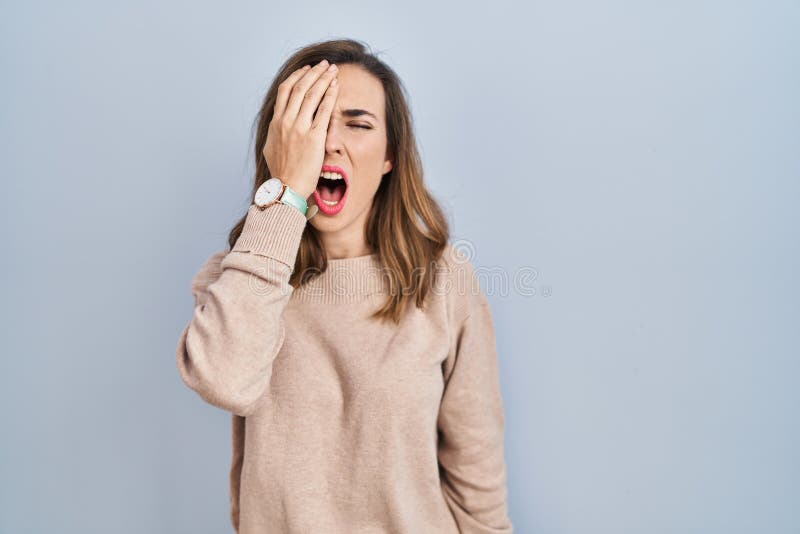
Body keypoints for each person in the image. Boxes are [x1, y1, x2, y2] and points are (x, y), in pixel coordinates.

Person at [176, 38, 513, 533]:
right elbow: (225, 381)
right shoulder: (241, 276)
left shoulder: (444, 280)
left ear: (389, 156)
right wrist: (285, 194)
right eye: (310, 123)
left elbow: (477, 479)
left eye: (357, 124)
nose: (329, 143)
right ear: (281, 145)